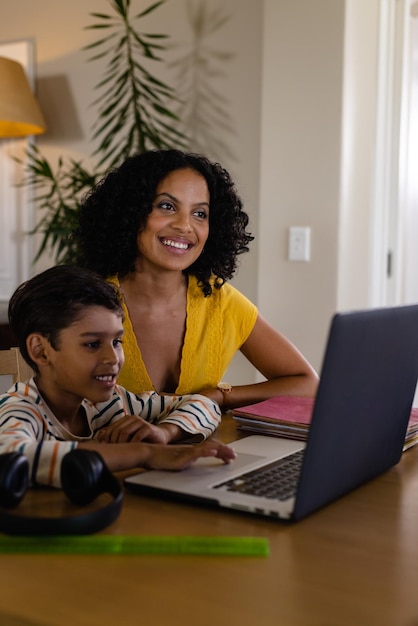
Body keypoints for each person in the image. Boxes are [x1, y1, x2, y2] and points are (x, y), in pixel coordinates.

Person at [74, 149, 319, 410]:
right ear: (131, 213)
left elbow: (307, 385)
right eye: (167, 206)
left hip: (206, 451)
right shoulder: (83, 303)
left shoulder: (221, 302)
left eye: (200, 213)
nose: (185, 225)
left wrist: (218, 396)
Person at [0, 265, 235, 488]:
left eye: (116, 342)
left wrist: (165, 432)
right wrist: (145, 453)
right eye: (92, 344)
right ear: (40, 350)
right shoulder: (19, 409)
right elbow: (11, 458)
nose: (113, 359)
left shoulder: (112, 403)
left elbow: (204, 404)